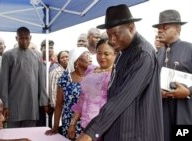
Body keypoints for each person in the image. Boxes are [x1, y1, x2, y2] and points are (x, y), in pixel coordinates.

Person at [77, 4, 163, 141]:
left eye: (116, 34)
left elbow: (123, 97)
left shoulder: (142, 54)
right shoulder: (124, 51)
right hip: (118, 129)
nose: (112, 40)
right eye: (109, 35)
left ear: (131, 27)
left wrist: (92, 132)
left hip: (134, 133)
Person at [153, 9, 192, 141]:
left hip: (184, 112)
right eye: (159, 27)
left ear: (177, 28)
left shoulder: (189, 49)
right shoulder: (158, 54)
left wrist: (188, 91)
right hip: (162, 113)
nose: (160, 30)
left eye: (165, 27)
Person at [0, 26, 49, 128]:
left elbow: (42, 81)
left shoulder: (38, 55)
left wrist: (44, 101)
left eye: (26, 38)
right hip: (14, 103)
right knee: (12, 135)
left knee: (29, 133)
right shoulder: (8, 55)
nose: (24, 41)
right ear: (16, 38)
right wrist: (5, 105)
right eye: (21, 38)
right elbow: (4, 82)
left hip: (32, 102)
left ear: (30, 38)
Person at [68, 39, 116, 140]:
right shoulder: (90, 70)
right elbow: (82, 99)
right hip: (85, 124)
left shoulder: (115, 74)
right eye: (99, 53)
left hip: (103, 127)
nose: (102, 57)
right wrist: (73, 123)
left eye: (106, 54)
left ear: (115, 54)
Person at [45, 47, 92, 140]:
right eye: (86, 55)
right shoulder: (65, 78)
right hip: (69, 123)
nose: (90, 58)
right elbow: (59, 105)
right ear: (76, 60)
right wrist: (55, 127)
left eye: (90, 55)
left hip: (89, 122)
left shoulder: (94, 77)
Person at [48, 50, 69, 128]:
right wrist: (57, 108)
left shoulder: (72, 71)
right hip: (60, 110)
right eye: (62, 57)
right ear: (58, 60)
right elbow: (53, 93)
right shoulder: (56, 72)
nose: (65, 59)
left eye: (67, 57)